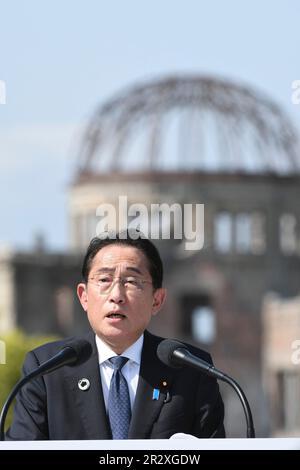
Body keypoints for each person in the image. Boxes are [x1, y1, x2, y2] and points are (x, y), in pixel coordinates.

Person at [7, 230, 225, 440]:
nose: (116, 295)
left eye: (131, 281)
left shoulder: (191, 370)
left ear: (156, 300)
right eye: (104, 280)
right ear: (83, 297)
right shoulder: (46, 370)